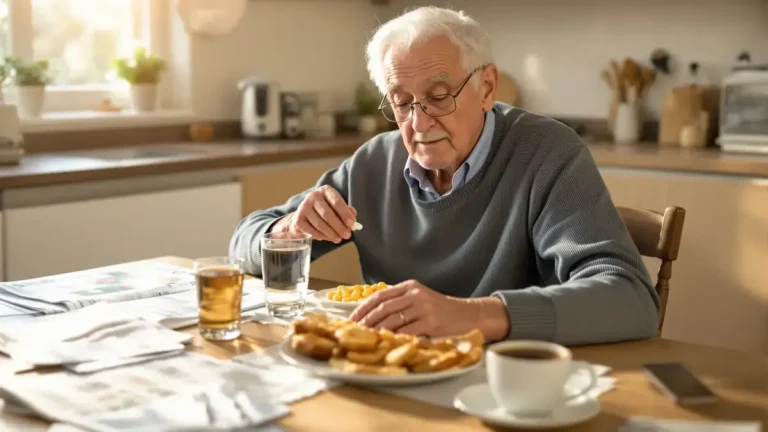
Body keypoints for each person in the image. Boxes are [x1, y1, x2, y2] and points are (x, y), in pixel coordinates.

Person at [229, 6, 659, 346]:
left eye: (438, 97)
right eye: (401, 102)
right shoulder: (373, 163)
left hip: (509, 384)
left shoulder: (547, 153)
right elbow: (243, 242)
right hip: (393, 380)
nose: (419, 123)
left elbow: (631, 299)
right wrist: (288, 231)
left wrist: (471, 315)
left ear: (487, 87)